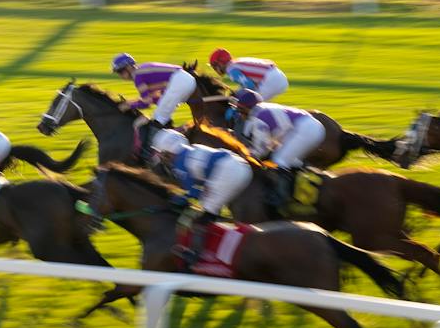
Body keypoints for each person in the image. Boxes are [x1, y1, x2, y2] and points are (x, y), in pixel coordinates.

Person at [149, 129, 254, 260]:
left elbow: (191, 194)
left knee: (203, 217)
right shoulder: (192, 149)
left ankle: (196, 254)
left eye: (161, 154)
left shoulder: (180, 164)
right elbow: (198, 188)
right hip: (241, 166)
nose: (162, 158)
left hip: (228, 172)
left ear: (167, 152)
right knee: (209, 207)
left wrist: (172, 202)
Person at [231, 90, 325, 210]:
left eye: (241, 109)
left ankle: (280, 199)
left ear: (248, 108)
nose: (239, 113)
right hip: (307, 127)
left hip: (306, 129)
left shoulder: (259, 119)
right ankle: (303, 186)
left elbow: (261, 149)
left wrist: (246, 156)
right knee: (291, 160)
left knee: (280, 160)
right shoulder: (259, 110)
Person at [110, 52, 196, 131]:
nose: (120, 75)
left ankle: (187, 129)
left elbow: (146, 103)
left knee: (158, 120)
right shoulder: (141, 72)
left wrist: (129, 105)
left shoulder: (138, 76)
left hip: (179, 82)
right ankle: (185, 129)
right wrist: (132, 103)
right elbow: (155, 98)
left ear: (129, 67)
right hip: (184, 79)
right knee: (161, 117)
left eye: (120, 71)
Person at [207, 48, 289, 101]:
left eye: (215, 66)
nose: (215, 70)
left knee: (248, 105)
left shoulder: (231, 69)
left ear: (221, 63)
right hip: (278, 76)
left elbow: (249, 86)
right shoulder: (235, 62)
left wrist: (236, 95)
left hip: (271, 80)